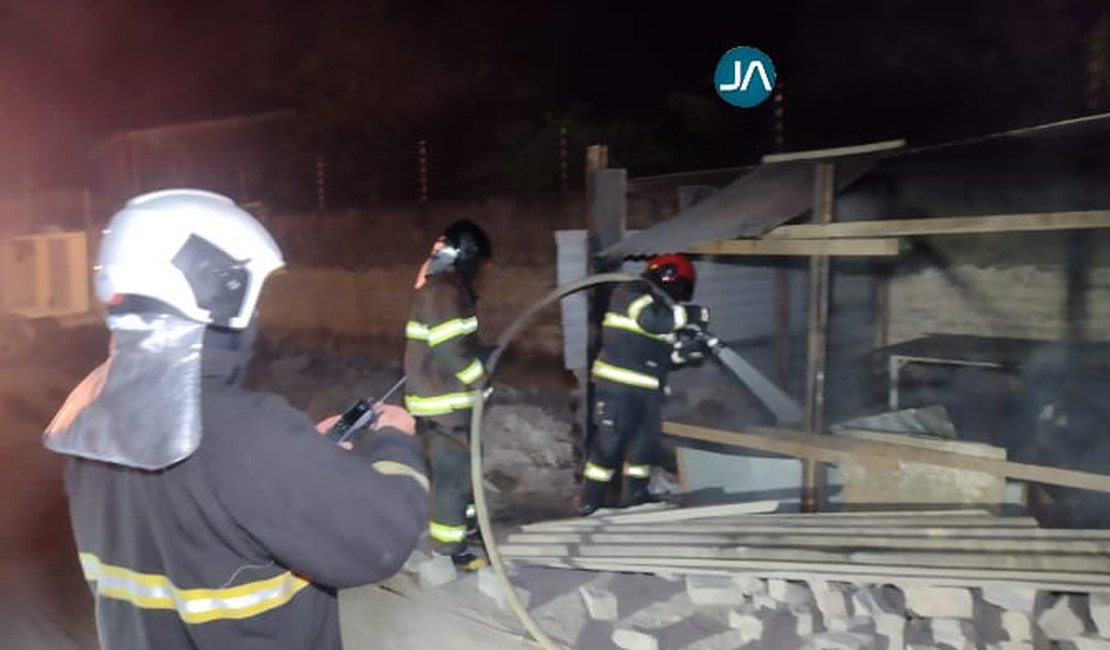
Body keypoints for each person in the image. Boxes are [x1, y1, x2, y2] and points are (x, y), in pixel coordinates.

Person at [43, 189, 429, 650]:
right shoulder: (250, 430)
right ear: (222, 288)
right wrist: (392, 441)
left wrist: (303, 459)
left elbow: (206, 500)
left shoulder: (87, 410)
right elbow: (380, 539)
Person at [577, 253, 710, 516]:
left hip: (647, 390)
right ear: (670, 276)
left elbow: (661, 354)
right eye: (681, 287)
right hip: (617, 386)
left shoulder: (661, 306)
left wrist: (686, 353)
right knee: (609, 444)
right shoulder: (631, 292)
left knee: (643, 445)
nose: (680, 296)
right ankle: (590, 501)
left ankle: (636, 495)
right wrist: (693, 314)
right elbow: (652, 321)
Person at [403, 218, 493, 571]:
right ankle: (450, 549)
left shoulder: (446, 287)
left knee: (465, 465)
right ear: (466, 254)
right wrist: (479, 377)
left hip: (448, 397)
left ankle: (466, 527)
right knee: (453, 472)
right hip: (444, 401)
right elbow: (449, 349)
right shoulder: (442, 291)